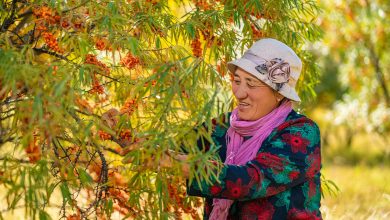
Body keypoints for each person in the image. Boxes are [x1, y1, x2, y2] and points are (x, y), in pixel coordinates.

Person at [163, 38, 322, 220]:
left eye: (251, 84)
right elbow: (165, 148)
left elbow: (253, 179)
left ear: (279, 93)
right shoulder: (221, 127)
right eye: (237, 80)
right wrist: (126, 133)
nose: (239, 93)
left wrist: (189, 167)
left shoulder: (300, 132)